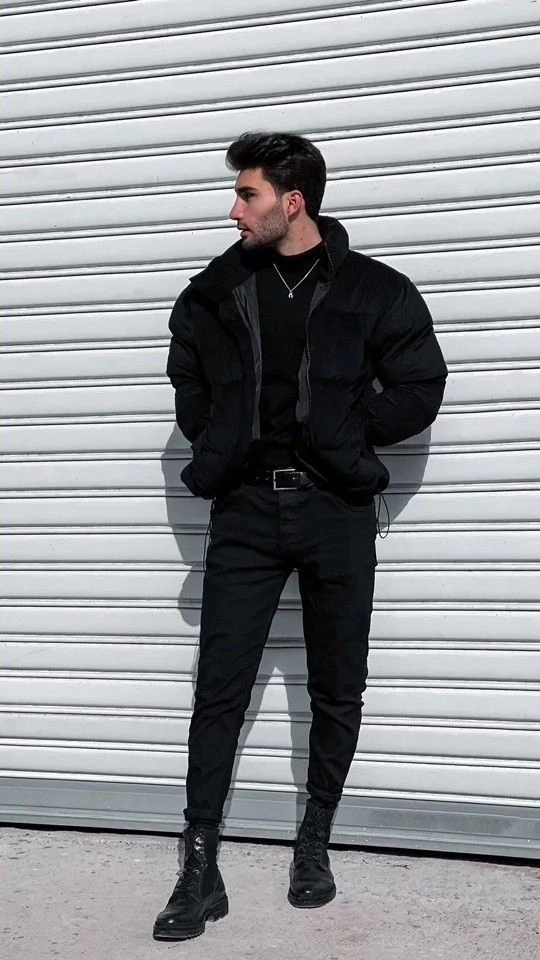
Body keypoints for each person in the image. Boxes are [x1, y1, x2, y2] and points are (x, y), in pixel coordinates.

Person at [153, 131, 448, 941]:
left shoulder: (374, 291)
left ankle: (313, 842)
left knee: (337, 685)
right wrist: (218, 438)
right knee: (219, 688)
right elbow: (187, 381)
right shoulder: (213, 292)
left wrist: (348, 434)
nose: (233, 210)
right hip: (245, 511)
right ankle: (199, 865)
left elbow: (421, 383)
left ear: (293, 201)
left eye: (246, 195)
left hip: (335, 512)